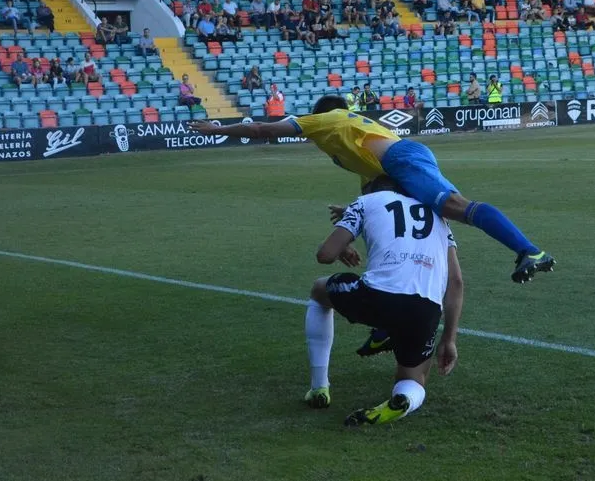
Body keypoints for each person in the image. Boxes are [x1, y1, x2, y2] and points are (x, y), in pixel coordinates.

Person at [188, 97, 554, 290]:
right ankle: (387, 325)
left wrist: (216, 129)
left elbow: (263, 130)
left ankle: (529, 250)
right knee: (423, 235)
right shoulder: (345, 147)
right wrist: (352, 221)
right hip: (395, 167)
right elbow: (377, 196)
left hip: (403, 159)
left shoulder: (328, 119)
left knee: (456, 207)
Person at [304, 176, 462, 425]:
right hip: (426, 308)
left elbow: (325, 254)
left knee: (319, 292)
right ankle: (404, 401)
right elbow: (456, 282)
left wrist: (344, 244)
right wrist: (449, 339)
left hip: (377, 297)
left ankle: (319, 387)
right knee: (413, 379)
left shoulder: (366, 201)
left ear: (369, 186)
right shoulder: (438, 217)